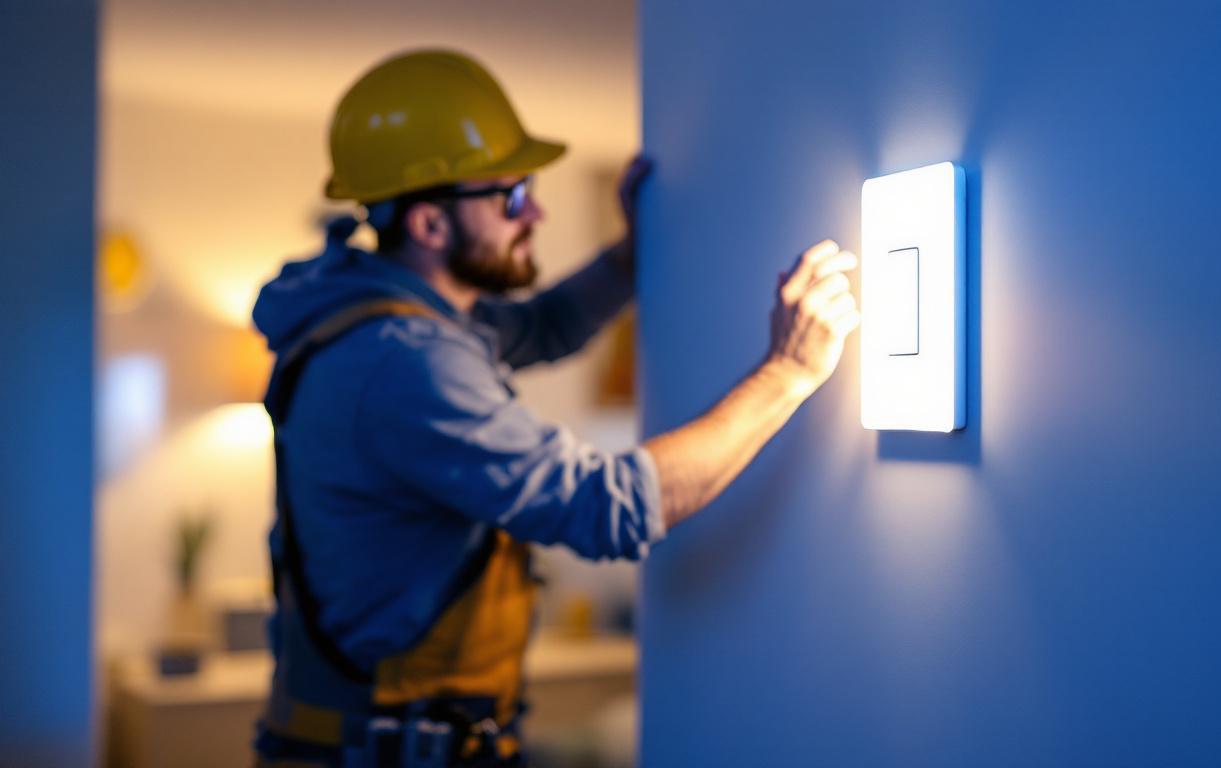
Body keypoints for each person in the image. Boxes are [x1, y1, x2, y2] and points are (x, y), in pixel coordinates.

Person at [250, 49, 859, 767]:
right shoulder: (402, 358)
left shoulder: (379, 320)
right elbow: (607, 507)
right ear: (429, 225)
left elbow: (543, 326)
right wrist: (788, 371)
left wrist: (630, 258)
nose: (534, 211)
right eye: (510, 197)